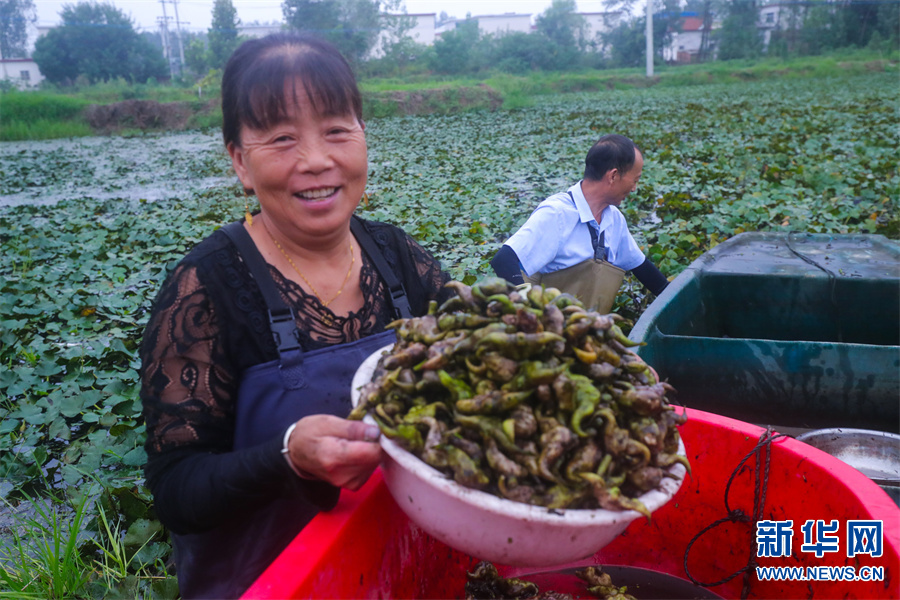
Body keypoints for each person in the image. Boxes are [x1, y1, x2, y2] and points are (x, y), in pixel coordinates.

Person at [139, 33, 451, 599]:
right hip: (270, 583)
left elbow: (482, 352)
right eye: (282, 138)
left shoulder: (398, 257)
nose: (316, 160)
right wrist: (286, 459)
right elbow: (176, 489)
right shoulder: (206, 288)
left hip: (400, 566)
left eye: (336, 129)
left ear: (362, 137)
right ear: (240, 161)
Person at [490, 134, 668, 313]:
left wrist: (679, 299)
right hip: (547, 330)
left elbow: (642, 269)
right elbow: (504, 260)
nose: (634, 188)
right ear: (613, 176)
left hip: (584, 330)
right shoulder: (557, 213)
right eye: (635, 180)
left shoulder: (614, 218)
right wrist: (529, 311)